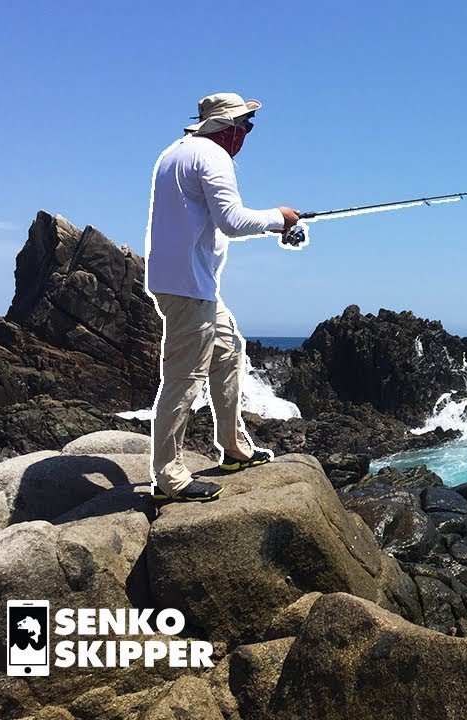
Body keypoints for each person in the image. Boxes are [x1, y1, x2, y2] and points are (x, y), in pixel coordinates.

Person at [143, 92, 300, 501]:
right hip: (188, 287)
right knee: (184, 379)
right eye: (246, 126)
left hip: (189, 284)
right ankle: (169, 478)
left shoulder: (174, 153)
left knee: (229, 352)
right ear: (228, 127)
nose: (247, 133)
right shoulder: (213, 156)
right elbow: (231, 221)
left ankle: (234, 448)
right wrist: (279, 219)